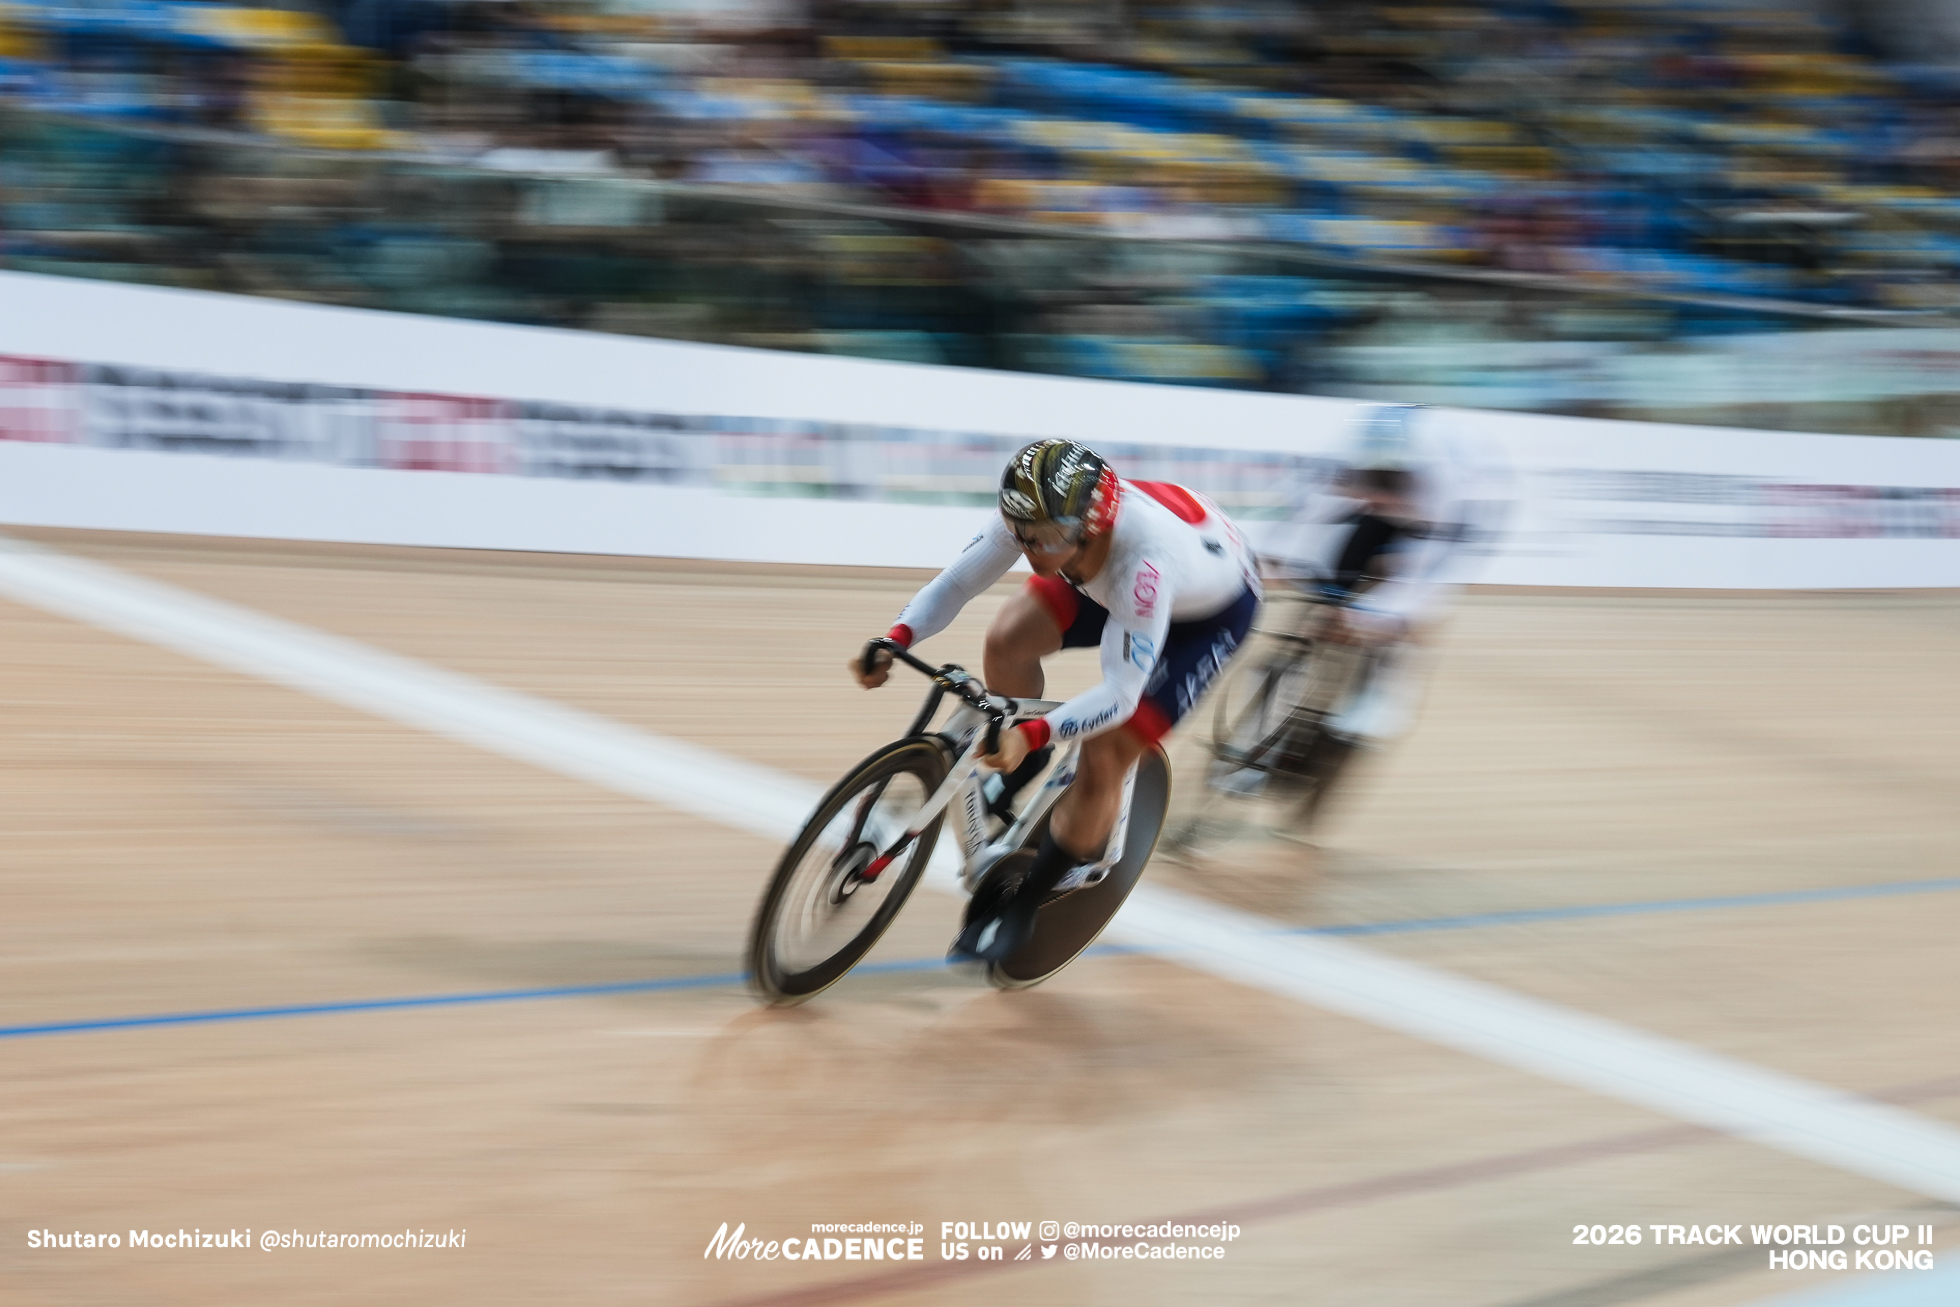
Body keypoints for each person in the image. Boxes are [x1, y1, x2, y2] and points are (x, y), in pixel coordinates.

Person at [853, 438, 1261, 962]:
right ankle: (1027, 766)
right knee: (1008, 639)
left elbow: (1120, 693)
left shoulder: (1144, 564)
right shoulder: (1039, 513)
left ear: (1090, 527)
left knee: (1108, 749)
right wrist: (897, 637)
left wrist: (1033, 732)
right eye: (1022, 534)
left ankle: (1026, 902)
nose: (1031, 549)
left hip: (1207, 614)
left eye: (1045, 538)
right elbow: (956, 584)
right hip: (1118, 570)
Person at [1254, 402, 1507, 824]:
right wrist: (1274, 552)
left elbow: (1432, 576)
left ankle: (1361, 722)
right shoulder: (1347, 454)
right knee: (1328, 594)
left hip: (1439, 532)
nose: (1370, 496)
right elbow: (1303, 504)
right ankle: (1274, 725)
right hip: (1399, 508)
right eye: (1367, 482)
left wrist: (1372, 616)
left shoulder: (1452, 491)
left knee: (1390, 657)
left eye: (1385, 484)